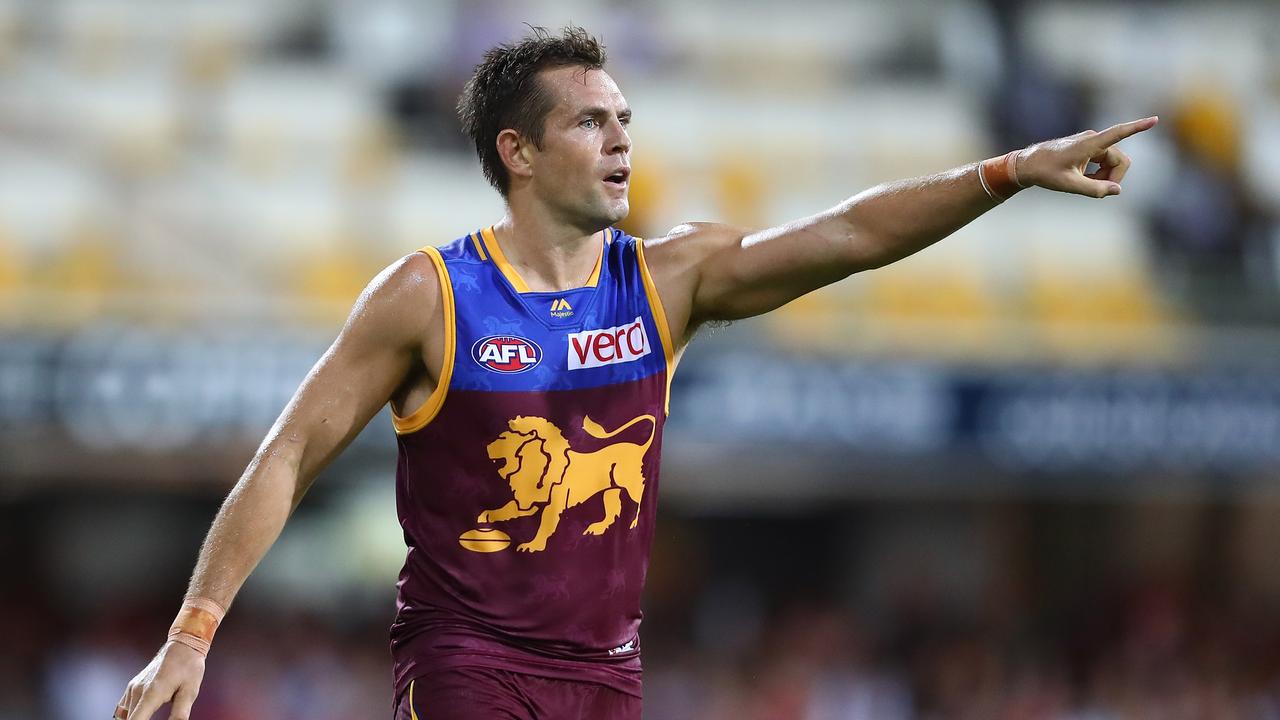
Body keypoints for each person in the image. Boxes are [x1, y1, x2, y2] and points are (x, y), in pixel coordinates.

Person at [116, 25, 1156, 720]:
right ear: (516, 152)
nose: (621, 141)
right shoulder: (428, 296)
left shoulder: (669, 281)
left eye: (625, 122)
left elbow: (847, 234)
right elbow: (288, 452)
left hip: (610, 675)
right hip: (466, 662)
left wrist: (1006, 171)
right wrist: (193, 635)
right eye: (590, 122)